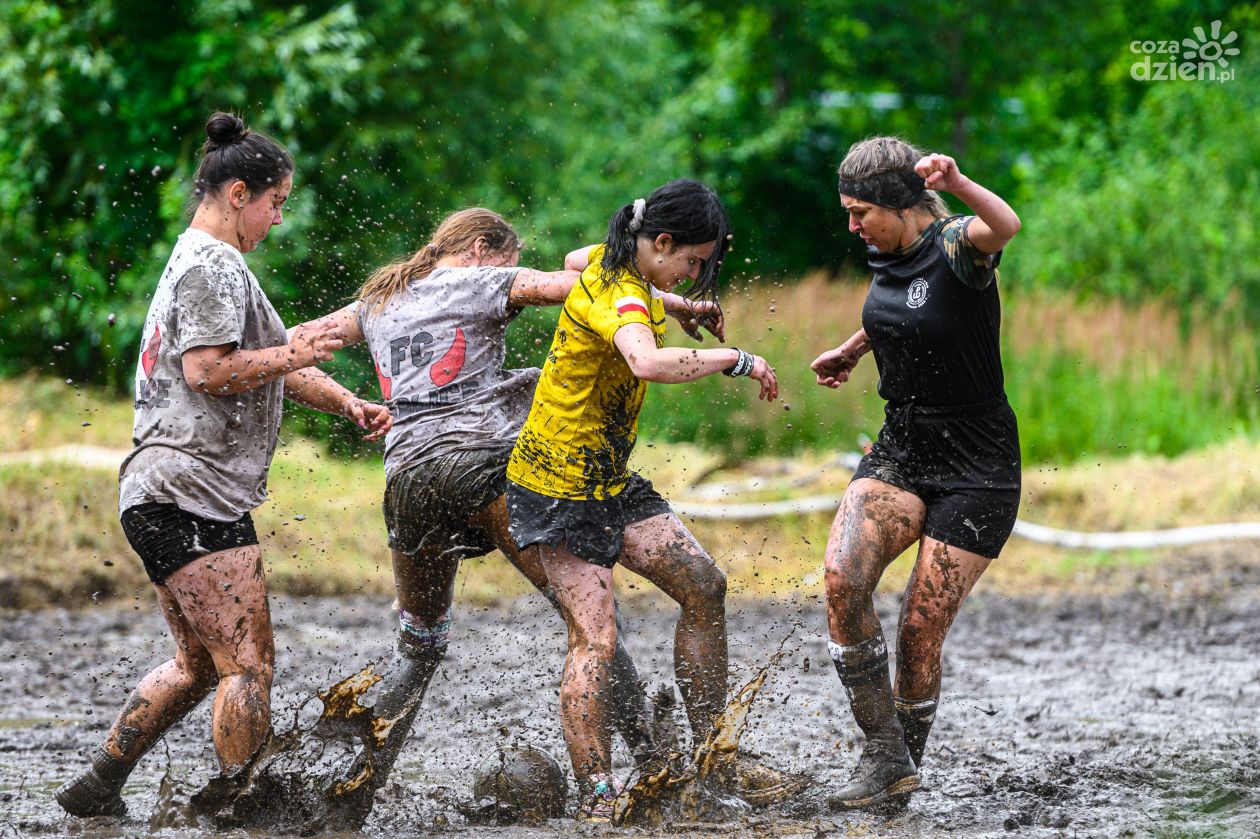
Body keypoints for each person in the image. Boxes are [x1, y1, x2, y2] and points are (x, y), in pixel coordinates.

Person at [298, 207, 725, 821]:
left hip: (409, 482)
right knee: (588, 623)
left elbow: (293, 349)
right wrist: (679, 307)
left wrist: (349, 405)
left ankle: (347, 792)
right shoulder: (485, 279)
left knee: (418, 645)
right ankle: (653, 766)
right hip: (485, 467)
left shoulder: (376, 301)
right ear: (480, 249)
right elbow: (591, 283)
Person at [55, 112, 390, 818]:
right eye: (276, 204)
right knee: (249, 665)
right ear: (239, 193)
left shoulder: (206, 261)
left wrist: (347, 402)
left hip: (159, 490)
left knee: (198, 664)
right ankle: (243, 805)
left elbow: (262, 367)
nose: (277, 221)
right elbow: (211, 370)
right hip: (191, 494)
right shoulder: (212, 264)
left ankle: (98, 782)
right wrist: (298, 350)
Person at [504, 178, 779, 821]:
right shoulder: (624, 295)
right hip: (553, 487)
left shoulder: (609, 259)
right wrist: (736, 359)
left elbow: (577, 265)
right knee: (595, 639)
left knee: (704, 586)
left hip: (607, 479)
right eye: (693, 261)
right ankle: (599, 804)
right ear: (660, 242)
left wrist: (675, 300)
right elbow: (648, 364)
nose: (698, 273)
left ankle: (713, 756)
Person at [811, 136, 1022, 809]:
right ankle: (883, 756)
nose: (852, 226)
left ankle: (900, 775)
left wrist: (958, 180)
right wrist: (854, 345)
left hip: (977, 466)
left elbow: (1006, 226)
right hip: (902, 447)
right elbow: (907, 305)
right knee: (843, 578)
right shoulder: (886, 246)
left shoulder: (960, 244)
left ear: (902, 206)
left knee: (919, 627)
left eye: (859, 211)